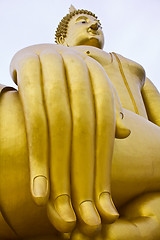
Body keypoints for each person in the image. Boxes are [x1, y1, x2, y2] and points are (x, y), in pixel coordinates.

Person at [0, 6, 160, 240]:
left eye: (97, 24)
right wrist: (32, 54)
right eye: (83, 22)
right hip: (64, 142)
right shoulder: (54, 58)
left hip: (131, 154)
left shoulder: (134, 70)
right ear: (63, 39)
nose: (94, 26)